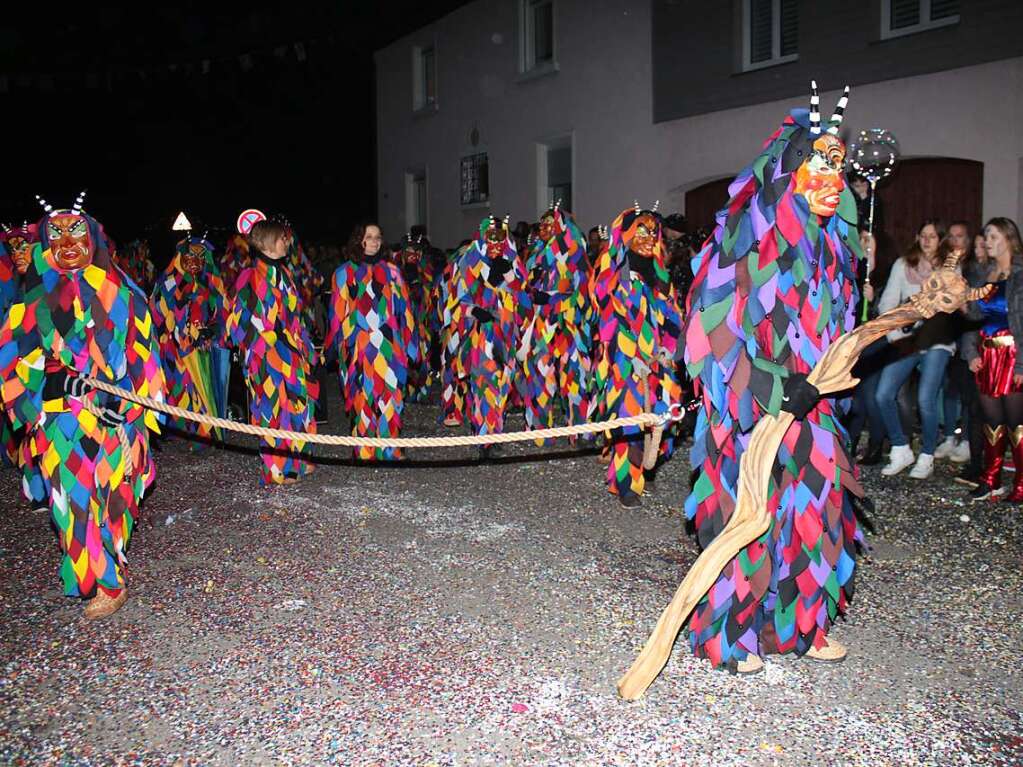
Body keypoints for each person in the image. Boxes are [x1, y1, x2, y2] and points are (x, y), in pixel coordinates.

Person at [684, 83, 862, 672]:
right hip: (750, 407)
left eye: (839, 166)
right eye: (820, 164)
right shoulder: (743, 241)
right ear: (789, 172)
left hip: (815, 406)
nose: (833, 178)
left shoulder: (835, 248)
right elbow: (712, 335)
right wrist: (772, 387)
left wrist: (833, 369)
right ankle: (729, 637)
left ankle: (801, 624)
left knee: (817, 510)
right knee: (749, 518)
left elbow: (839, 328)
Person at [0, 193, 165, 619]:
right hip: (60, 419)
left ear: (93, 237)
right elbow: (11, 359)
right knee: (71, 502)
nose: (67, 242)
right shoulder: (31, 298)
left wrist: (136, 424)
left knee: (115, 500)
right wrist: (35, 394)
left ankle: (102, 564)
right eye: (56, 234)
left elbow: (144, 360)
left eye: (76, 231)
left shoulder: (124, 295)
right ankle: (102, 582)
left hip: (115, 420)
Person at [593, 202, 682, 507]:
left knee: (657, 416)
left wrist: (667, 349)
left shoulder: (660, 274)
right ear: (628, 233)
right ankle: (626, 482)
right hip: (625, 360)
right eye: (640, 230)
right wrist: (628, 353)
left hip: (656, 361)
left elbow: (671, 317)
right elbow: (608, 316)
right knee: (629, 418)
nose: (648, 236)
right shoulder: (614, 272)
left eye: (653, 231)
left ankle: (643, 466)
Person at [226, 219, 318, 485]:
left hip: (290, 351)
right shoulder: (250, 275)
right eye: (282, 237)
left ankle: (297, 460)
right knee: (272, 406)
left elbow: (293, 316)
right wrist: (267, 340)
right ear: (267, 242)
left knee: (297, 403)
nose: (287, 242)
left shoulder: (285, 274)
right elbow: (238, 323)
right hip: (266, 354)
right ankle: (276, 467)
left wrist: (302, 344)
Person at [324, 223, 417, 461]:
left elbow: (404, 310)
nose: (374, 241)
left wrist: (410, 343)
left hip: (389, 342)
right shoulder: (344, 273)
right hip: (360, 345)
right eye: (369, 237)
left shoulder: (393, 271)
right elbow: (338, 312)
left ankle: (389, 446)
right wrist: (338, 343)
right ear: (359, 241)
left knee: (390, 392)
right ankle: (364, 448)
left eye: (378, 237)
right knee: (362, 395)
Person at [876, 220, 959, 478]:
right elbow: (888, 301)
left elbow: (952, 306)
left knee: (925, 398)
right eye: (923, 235)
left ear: (941, 240)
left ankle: (927, 455)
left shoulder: (951, 268)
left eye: (932, 236)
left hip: (937, 339)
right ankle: (901, 448)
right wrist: (893, 332)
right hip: (907, 337)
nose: (926, 241)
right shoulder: (903, 264)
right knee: (883, 394)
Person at [443, 216, 529, 457]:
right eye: (490, 236)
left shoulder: (512, 260)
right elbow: (458, 300)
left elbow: (524, 300)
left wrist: (509, 276)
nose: (495, 241)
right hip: (481, 334)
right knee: (483, 384)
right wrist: (475, 310)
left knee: (502, 384)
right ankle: (484, 438)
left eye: (500, 236)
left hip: (506, 333)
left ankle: (495, 431)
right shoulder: (471, 261)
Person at [960, 217, 1023, 501]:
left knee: (1016, 424)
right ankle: (991, 478)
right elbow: (975, 318)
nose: (987, 241)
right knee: (991, 421)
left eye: (994, 236)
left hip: (1013, 355)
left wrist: (1022, 364)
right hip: (987, 355)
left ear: (1009, 239)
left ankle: (1021, 483)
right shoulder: (984, 273)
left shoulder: (1021, 275)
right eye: (986, 235)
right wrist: (971, 352)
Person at [521, 202, 593, 443]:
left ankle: (579, 430)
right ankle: (540, 431)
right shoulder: (536, 256)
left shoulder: (575, 252)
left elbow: (581, 290)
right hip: (542, 323)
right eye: (541, 223)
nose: (543, 227)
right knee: (540, 373)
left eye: (549, 223)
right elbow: (527, 287)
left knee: (574, 375)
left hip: (569, 325)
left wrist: (555, 300)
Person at [150, 234, 230, 442]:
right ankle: (180, 429)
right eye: (190, 256)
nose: (196, 262)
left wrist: (212, 330)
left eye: (201, 257)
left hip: (203, 346)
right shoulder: (167, 282)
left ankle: (204, 431)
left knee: (202, 386)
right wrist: (178, 332)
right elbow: (157, 314)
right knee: (180, 385)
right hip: (175, 348)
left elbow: (223, 313)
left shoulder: (211, 283)